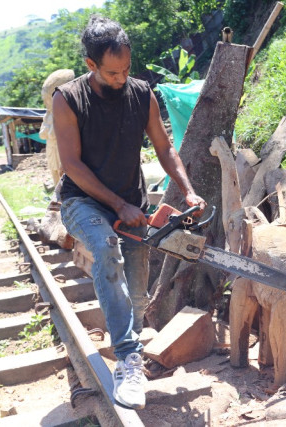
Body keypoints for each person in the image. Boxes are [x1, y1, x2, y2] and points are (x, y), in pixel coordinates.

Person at [52, 15, 206, 410]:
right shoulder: (68, 99)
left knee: (136, 294)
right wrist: (117, 204)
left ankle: (128, 345)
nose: (122, 78)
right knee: (105, 248)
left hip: (131, 204)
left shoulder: (141, 95)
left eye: (126, 69)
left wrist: (187, 191)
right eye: (112, 72)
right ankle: (128, 359)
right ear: (91, 66)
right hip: (82, 201)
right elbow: (72, 164)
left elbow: (165, 148)